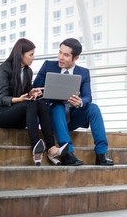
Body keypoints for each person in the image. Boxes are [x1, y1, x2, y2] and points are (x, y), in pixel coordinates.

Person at [33, 38, 114, 166]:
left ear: (75, 58)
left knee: (93, 108)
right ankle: (68, 154)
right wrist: (38, 92)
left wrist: (80, 102)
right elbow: (35, 90)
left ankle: (101, 154)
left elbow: (88, 96)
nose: (60, 57)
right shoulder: (48, 66)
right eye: (60, 52)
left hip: (72, 117)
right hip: (52, 117)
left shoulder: (84, 73)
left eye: (66, 55)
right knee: (58, 106)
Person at [0, 38, 68, 166]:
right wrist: (19, 99)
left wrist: (31, 93)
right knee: (30, 104)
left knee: (40, 102)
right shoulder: (4, 69)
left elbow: (25, 94)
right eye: (31, 54)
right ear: (21, 54)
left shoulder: (28, 71)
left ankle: (52, 148)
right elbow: (2, 98)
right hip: (0, 114)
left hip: (18, 116)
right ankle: (36, 146)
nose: (33, 57)